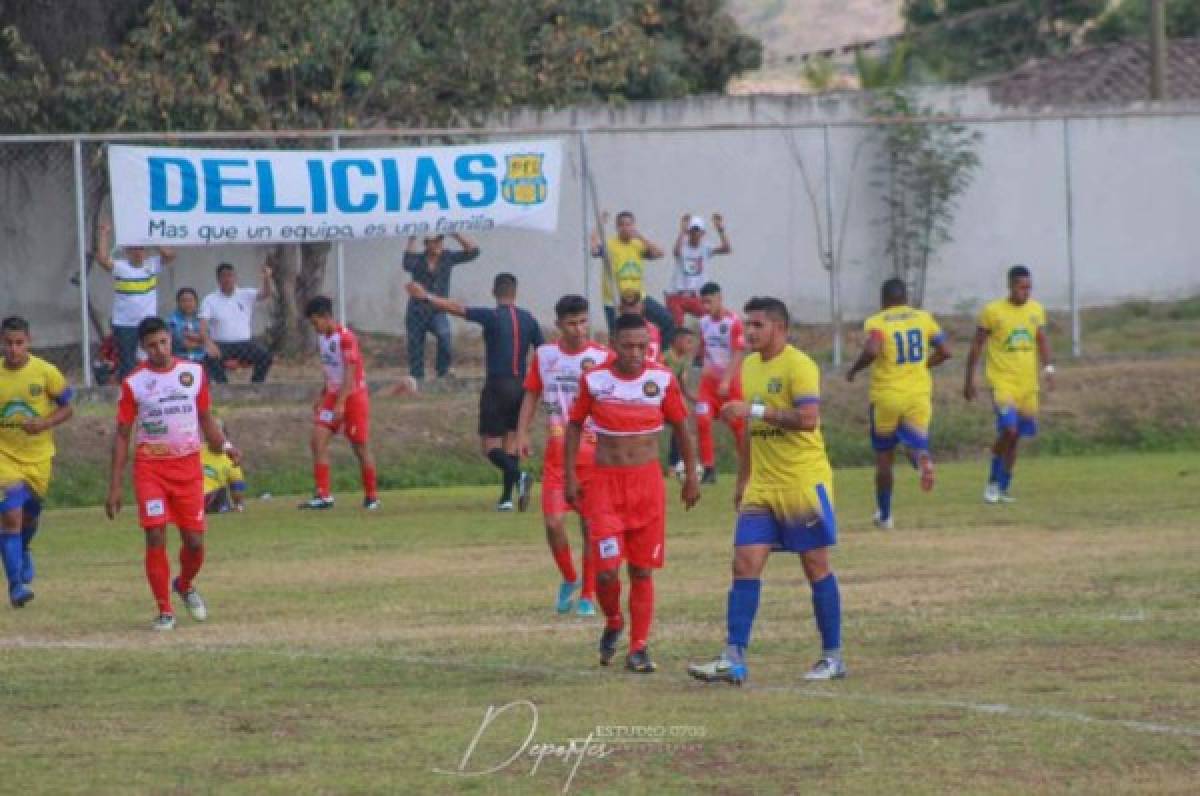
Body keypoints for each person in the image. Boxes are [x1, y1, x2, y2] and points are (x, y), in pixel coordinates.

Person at [687, 297, 846, 685]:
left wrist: (755, 411)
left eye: (757, 325)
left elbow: (808, 420)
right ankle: (733, 658)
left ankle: (832, 656)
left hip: (801, 482)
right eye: (748, 324)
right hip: (763, 484)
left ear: (779, 327)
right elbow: (750, 435)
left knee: (815, 567)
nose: (749, 332)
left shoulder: (799, 364)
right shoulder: (752, 368)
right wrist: (744, 479)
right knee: (744, 564)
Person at [566, 313, 700, 674]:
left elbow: (682, 427)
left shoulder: (661, 378)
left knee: (641, 571)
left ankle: (639, 647)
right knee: (607, 572)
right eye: (628, 346)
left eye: (642, 346)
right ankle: (613, 620)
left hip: (647, 487)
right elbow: (575, 424)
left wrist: (691, 475)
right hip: (606, 487)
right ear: (613, 344)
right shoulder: (595, 380)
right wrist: (569, 477)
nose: (636, 353)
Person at [106, 316, 240, 631]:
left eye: (163, 342)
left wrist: (227, 445)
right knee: (155, 534)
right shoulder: (134, 382)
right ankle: (164, 610)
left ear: (171, 339)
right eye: (152, 345)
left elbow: (205, 418)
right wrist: (115, 486)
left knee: (194, 543)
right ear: (142, 348)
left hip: (188, 469)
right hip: (151, 470)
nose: (159, 350)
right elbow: (123, 434)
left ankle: (184, 583)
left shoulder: (193, 373)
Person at [406, 274, 543, 511]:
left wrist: (426, 296)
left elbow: (457, 308)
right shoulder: (529, 319)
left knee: (490, 447)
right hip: (521, 386)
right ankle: (507, 499)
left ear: (494, 292)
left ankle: (520, 477)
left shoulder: (492, 315)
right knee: (510, 443)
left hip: (497, 385)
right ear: (515, 292)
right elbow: (543, 351)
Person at [515, 294, 612, 618]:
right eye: (572, 323)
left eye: (584, 321)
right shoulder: (544, 356)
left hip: (593, 456)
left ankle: (588, 593)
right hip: (558, 456)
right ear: (559, 325)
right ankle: (569, 578)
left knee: (589, 526)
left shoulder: (602, 356)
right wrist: (522, 432)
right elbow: (531, 394)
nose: (579, 329)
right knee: (554, 522)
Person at [845, 278, 951, 529]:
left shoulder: (878, 322)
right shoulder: (924, 319)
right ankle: (922, 460)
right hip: (918, 395)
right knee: (915, 443)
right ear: (906, 298)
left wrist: (854, 369)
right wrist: (925, 364)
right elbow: (945, 350)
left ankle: (885, 515)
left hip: (887, 396)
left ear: (883, 300)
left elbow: (872, 351)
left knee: (884, 457)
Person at [964, 265, 1054, 504]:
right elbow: (976, 345)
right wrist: (969, 378)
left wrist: (1048, 368)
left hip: (1028, 385)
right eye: (1022, 287)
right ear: (1011, 286)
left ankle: (1004, 487)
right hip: (1002, 382)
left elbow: (1041, 340)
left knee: (1015, 438)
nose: (1026, 292)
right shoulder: (993, 312)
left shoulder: (1036, 310)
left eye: (1029, 287)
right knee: (1009, 430)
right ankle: (992, 482)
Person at [0, 317, 74, 607]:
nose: (14, 349)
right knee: (10, 516)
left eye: (19, 343)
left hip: (38, 459)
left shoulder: (46, 372)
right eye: (8, 343)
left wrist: (44, 423)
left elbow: (67, 408)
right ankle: (16, 585)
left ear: (28, 342)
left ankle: (24, 546)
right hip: (4, 458)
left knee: (28, 516)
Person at [298, 296, 380, 511]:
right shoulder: (322, 339)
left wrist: (342, 403)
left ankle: (372, 496)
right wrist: (323, 394)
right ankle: (323, 495)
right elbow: (331, 370)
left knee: (359, 446)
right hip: (333, 395)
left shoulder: (346, 338)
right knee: (317, 440)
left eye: (315, 322)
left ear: (326, 317)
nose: (314, 327)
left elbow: (350, 373)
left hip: (353, 396)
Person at [93, 221, 176, 379]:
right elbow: (102, 259)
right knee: (128, 361)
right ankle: (129, 391)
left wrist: (152, 238)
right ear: (127, 252)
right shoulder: (121, 267)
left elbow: (170, 255)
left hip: (148, 322)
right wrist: (104, 234)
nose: (138, 253)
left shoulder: (152, 264)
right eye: (134, 249)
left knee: (154, 356)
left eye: (141, 249)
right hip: (125, 323)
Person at [402, 233, 480, 380]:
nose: (438, 244)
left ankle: (442, 372)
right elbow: (407, 263)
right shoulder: (418, 260)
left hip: (437, 309)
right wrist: (412, 236)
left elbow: (473, 252)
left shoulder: (447, 258)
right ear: (426, 243)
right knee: (415, 345)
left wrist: (456, 234)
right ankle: (417, 377)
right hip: (416, 310)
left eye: (440, 240)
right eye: (434, 241)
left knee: (444, 336)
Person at [590, 211, 675, 342]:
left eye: (629, 224)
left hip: (638, 299)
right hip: (615, 300)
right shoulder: (610, 245)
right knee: (617, 337)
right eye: (622, 225)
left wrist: (640, 237)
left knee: (666, 320)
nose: (626, 228)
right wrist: (600, 224)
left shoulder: (638, 245)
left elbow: (659, 253)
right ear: (617, 227)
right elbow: (594, 250)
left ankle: (659, 357)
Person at [695, 282, 747, 484]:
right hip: (708, 384)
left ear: (719, 298)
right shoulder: (703, 322)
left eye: (709, 301)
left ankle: (748, 465)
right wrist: (696, 361)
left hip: (730, 384)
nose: (706, 307)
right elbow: (703, 345)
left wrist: (726, 381)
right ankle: (709, 469)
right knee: (702, 420)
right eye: (703, 302)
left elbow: (738, 353)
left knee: (738, 426)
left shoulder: (734, 322)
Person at [199, 262, 274, 383]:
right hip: (221, 345)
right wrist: (209, 343)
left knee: (265, 357)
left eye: (230, 275)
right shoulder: (210, 299)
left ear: (235, 277)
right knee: (210, 358)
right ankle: (223, 388)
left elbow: (266, 294)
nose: (227, 279)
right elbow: (203, 325)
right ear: (218, 279)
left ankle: (255, 386)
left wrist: (267, 278)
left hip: (244, 344)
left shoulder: (246, 294)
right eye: (224, 276)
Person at [667, 213, 731, 327]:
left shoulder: (706, 248)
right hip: (678, 295)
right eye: (692, 230)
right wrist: (682, 231)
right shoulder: (682, 246)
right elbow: (676, 252)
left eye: (698, 230)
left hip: (696, 296)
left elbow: (726, 249)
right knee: (675, 327)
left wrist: (721, 230)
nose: (695, 233)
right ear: (688, 232)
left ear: (702, 233)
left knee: (711, 320)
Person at [662, 327, 700, 478]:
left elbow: (682, 386)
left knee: (682, 428)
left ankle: (674, 465)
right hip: (658, 401)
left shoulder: (684, 361)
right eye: (688, 342)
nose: (691, 346)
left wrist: (695, 399)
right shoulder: (664, 358)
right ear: (678, 341)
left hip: (671, 402)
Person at [203, 435, 247, 514]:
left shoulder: (231, 460)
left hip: (213, 495)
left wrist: (239, 506)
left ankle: (219, 506)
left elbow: (237, 486)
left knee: (220, 490)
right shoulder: (196, 451)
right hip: (192, 492)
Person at [617, 289, 663, 363]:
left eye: (635, 307)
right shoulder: (616, 329)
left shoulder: (653, 329)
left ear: (642, 307)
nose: (631, 311)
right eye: (628, 307)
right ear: (620, 308)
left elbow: (657, 356)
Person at [169, 288, 206, 364]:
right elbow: (180, 343)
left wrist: (201, 340)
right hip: (180, 361)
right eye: (184, 301)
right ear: (178, 303)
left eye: (190, 300)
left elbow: (209, 341)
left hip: (202, 360)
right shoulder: (170, 321)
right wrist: (200, 340)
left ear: (196, 302)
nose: (187, 304)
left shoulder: (203, 319)